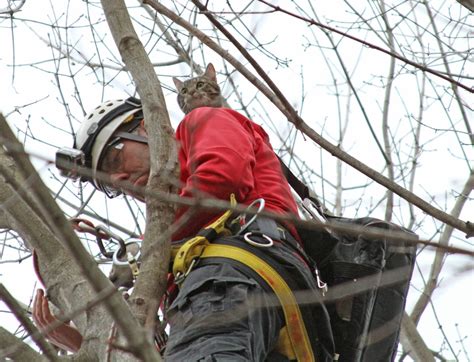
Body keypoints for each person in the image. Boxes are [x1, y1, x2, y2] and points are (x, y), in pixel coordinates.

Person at [34, 97, 335, 360]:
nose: (119, 179)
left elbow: (221, 179)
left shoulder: (200, 122)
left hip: (237, 277)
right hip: (254, 313)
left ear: (145, 128)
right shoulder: (179, 245)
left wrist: (146, 250)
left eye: (115, 159)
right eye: (108, 183)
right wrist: (89, 342)